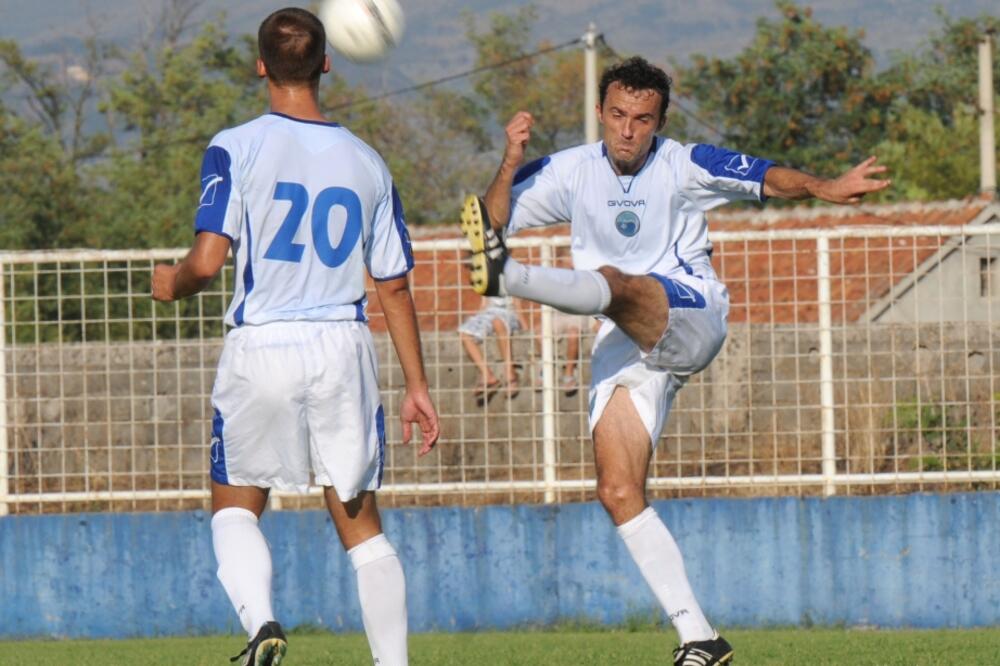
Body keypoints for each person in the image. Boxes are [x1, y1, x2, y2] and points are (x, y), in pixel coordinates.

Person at [460, 56, 889, 665]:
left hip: (690, 313)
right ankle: (700, 638)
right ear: (601, 114)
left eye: (642, 118)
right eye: (617, 115)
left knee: (614, 279)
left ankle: (515, 279)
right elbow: (490, 222)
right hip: (623, 339)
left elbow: (763, 175)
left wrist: (823, 186)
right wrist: (508, 161)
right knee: (616, 489)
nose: (628, 130)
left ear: (659, 120)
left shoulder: (683, 163)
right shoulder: (568, 169)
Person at [151, 8, 439, 666]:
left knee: (235, 507)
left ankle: (261, 626)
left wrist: (172, 283)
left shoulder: (235, 145)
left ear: (260, 67)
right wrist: (417, 386)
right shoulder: (368, 162)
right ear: (327, 65)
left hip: (264, 346)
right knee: (363, 529)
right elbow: (392, 286)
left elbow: (207, 261)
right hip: (342, 346)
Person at [458, 295, 524, 404]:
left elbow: (517, 305)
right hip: (489, 313)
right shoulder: (488, 278)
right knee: (464, 332)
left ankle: (510, 373)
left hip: (508, 313)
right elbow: (484, 304)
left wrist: (524, 326)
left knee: (497, 322)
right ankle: (487, 374)